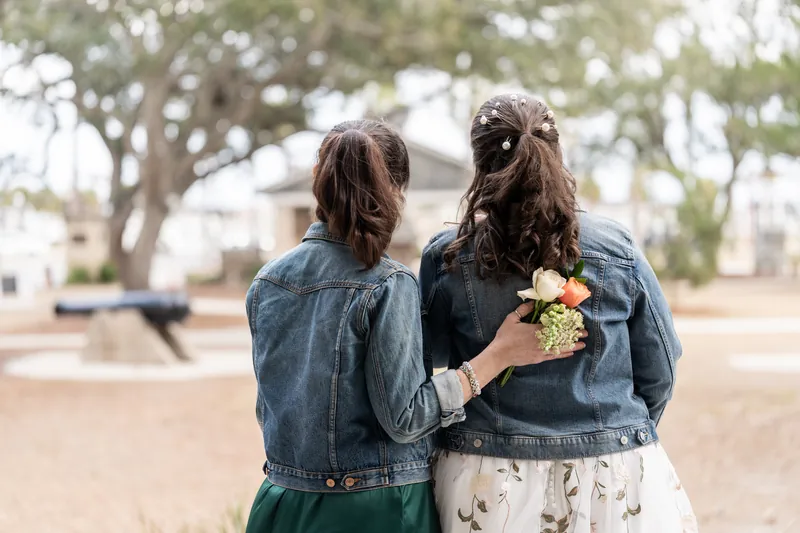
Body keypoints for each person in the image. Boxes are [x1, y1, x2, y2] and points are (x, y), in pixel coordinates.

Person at [244, 119, 582, 533]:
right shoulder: (387, 283)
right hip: (374, 510)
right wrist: (499, 355)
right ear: (396, 190)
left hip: (280, 500)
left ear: (318, 178)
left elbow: (272, 409)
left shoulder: (266, 282)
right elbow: (406, 419)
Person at [420, 95, 698, 533]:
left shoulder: (448, 257)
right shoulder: (617, 246)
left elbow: (428, 363)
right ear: (556, 154)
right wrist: (615, 433)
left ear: (480, 163)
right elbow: (661, 366)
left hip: (486, 478)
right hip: (610, 474)